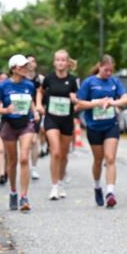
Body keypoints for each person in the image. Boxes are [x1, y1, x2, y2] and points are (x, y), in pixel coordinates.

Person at [76, 55, 127, 208]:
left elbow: (125, 99)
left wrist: (113, 102)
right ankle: (97, 186)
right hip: (94, 127)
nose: (109, 73)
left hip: (111, 125)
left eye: (111, 70)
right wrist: (96, 103)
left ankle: (110, 192)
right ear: (99, 66)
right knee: (98, 160)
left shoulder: (114, 82)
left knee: (110, 158)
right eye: (106, 70)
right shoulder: (89, 82)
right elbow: (78, 105)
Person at [0, 55, 36, 212]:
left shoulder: (29, 85)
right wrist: (6, 110)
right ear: (14, 68)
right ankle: (13, 192)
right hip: (9, 125)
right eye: (22, 66)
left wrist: (35, 112)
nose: (25, 68)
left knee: (24, 158)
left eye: (26, 66)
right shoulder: (3, 87)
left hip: (26, 124)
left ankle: (24, 196)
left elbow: (31, 101)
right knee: (12, 161)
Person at [37, 49, 79, 200]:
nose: (60, 62)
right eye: (58, 60)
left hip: (67, 119)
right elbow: (39, 92)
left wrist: (75, 99)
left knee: (63, 154)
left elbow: (77, 98)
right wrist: (39, 105)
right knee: (55, 152)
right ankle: (54, 186)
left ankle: (60, 182)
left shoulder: (73, 80)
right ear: (54, 62)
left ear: (67, 63)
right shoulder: (49, 78)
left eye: (63, 60)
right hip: (51, 118)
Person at [25, 54, 43, 180]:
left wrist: (42, 106)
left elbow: (45, 93)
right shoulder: (21, 78)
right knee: (27, 140)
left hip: (36, 111)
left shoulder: (40, 79)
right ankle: (24, 163)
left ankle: (34, 167)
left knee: (34, 140)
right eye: (28, 61)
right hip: (22, 111)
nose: (31, 64)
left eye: (33, 61)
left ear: (35, 64)